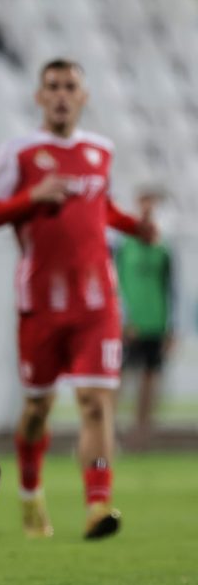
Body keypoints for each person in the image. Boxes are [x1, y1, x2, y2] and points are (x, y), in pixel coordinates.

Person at [0, 59, 156, 540]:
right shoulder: (20, 152)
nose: (60, 94)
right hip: (40, 302)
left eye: (70, 87)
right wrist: (33, 197)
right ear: (40, 96)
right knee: (37, 408)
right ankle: (31, 491)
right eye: (52, 86)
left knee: (96, 402)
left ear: (84, 96)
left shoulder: (101, 151)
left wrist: (135, 227)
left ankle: (99, 501)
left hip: (98, 301)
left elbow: (103, 208)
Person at [115, 188, 175, 449]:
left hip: (156, 325)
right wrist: (123, 320)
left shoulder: (163, 249)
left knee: (150, 381)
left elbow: (171, 290)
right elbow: (114, 286)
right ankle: (110, 431)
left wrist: (170, 327)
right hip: (131, 325)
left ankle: (141, 434)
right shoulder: (124, 247)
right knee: (121, 379)